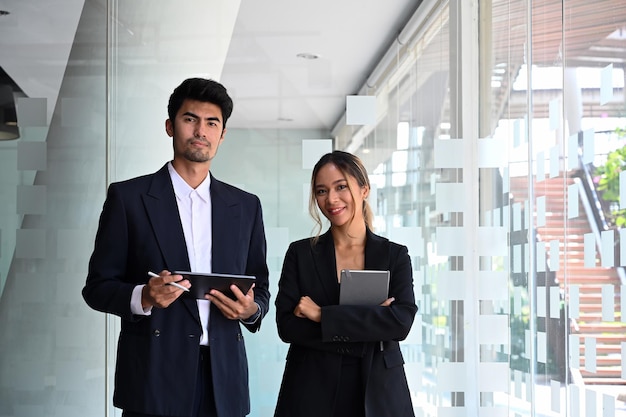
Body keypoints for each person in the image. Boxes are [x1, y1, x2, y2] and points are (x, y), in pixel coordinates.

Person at [82, 77, 270, 417]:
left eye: (212, 123)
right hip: (154, 377)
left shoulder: (245, 207)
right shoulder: (128, 199)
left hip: (223, 382)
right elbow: (97, 288)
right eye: (190, 119)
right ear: (170, 127)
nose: (201, 130)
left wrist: (250, 310)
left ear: (222, 134)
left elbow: (261, 289)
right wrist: (145, 296)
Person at [273, 150, 417, 417]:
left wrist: (321, 315)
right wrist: (372, 324)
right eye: (321, 191)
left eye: (341, 187)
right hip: (310, 388)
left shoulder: (395, 255)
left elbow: (400, 322)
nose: (331, 199)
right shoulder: (300, 254)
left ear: (364, 189)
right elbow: (287, 326)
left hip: (379, 390)